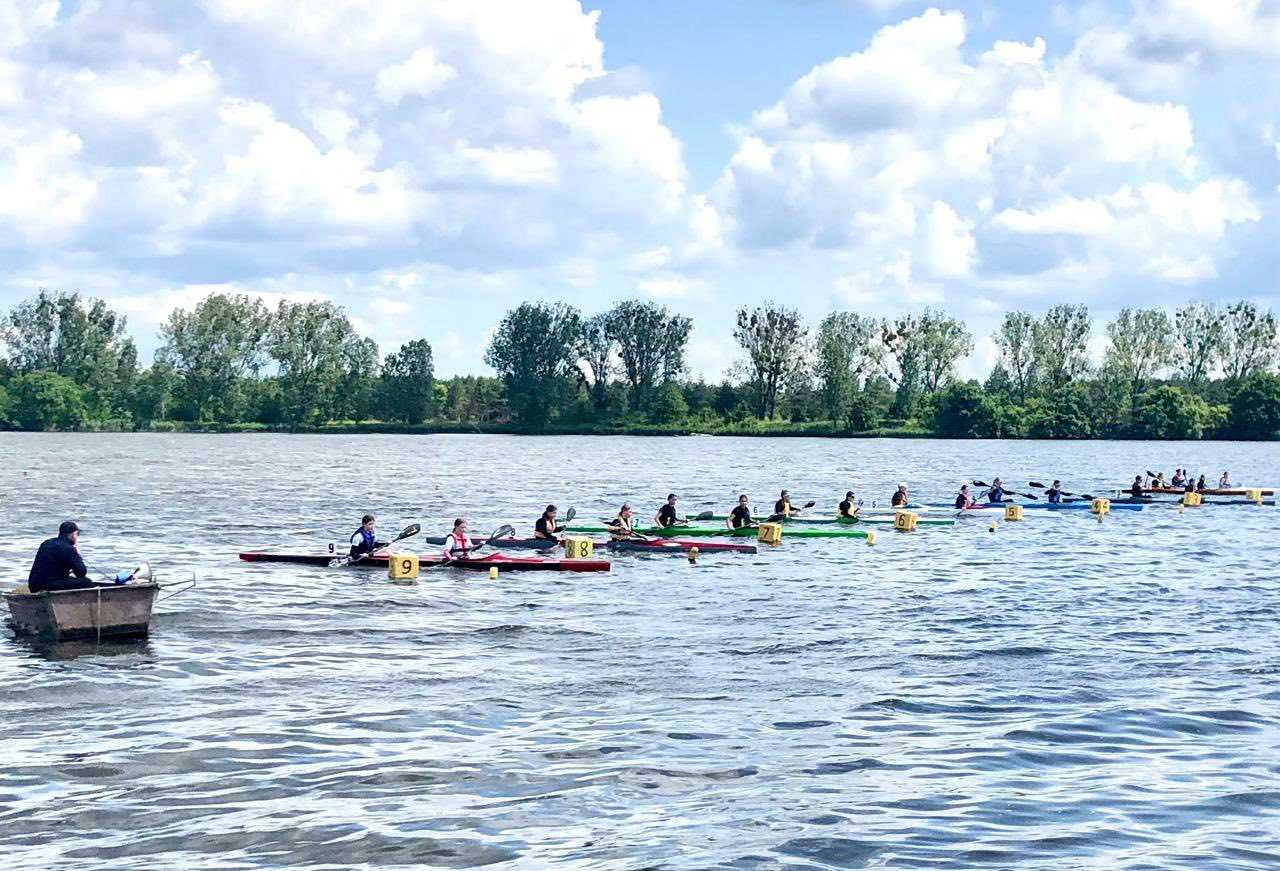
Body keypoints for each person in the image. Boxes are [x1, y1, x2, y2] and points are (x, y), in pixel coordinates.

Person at [28, 521, 95, 593]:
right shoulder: (68, 548)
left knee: (70, 579)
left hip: (33, 585)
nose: (77, 537)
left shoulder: (46, 543)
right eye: (77, 534)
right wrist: (77, 554)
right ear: (72, 535)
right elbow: (81, 573)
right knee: (86, 582)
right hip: (48, 585)